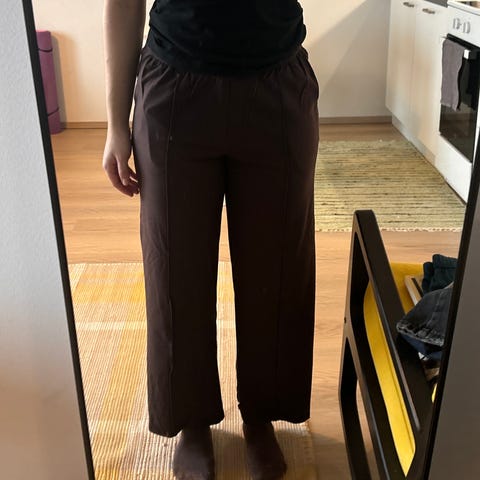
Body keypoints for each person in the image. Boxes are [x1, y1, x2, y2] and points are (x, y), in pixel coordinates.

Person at [102, 1, 319, 478]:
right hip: (174, 85)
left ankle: (261, 416)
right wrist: (116, 123)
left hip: (276, 82)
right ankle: (191, 419)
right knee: (174, 270)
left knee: (278, 266)